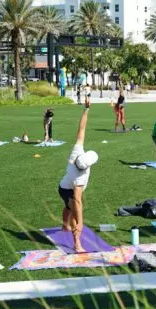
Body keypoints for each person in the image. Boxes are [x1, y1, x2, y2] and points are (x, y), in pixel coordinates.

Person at [57, 97, 98, 253]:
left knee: (68, 206)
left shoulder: (77, 151)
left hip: (62, 186)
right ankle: (77, 244)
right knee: (75, 211)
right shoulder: (80, 177)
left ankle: (64, 225)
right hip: (69, 190)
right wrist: (80, 222)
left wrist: (86, 109)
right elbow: (78, 200)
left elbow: (82, 129)